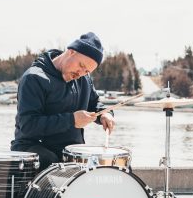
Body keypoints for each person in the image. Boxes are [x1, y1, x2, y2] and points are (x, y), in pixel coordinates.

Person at [11, 32, 115, 169]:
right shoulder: (34, 78)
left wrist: (104, 114)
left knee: (102, 164)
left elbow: (94, 104)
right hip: (33, 149)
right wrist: (71, 120)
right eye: (81, 66)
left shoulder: (84, 79)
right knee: (50, 161)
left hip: (69, 151)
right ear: (71, 52)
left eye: (87, 71)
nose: (81, 73)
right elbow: (28, 125)